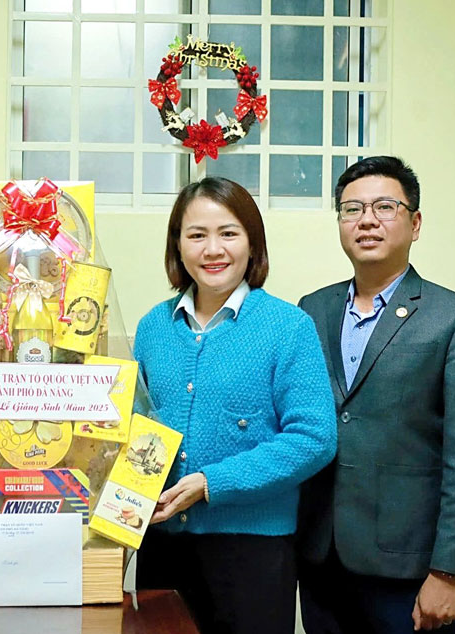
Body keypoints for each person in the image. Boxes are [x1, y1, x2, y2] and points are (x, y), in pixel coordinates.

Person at [297, 156, 455, 633]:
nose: (366, 220)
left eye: (384, 206)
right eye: (351, 209)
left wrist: (448, 571)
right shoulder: (312, 308)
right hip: (321, 557)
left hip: (409, 568)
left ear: (415, 222)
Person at [133, 177, 337, 634]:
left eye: (228, 233)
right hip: (162, 544)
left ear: (251, 243)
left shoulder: (288, 326)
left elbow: (315, 438)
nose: (212, 249)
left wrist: (211, 482)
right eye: (196, 235)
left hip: (253, 550)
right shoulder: (153, 326)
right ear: (178, 246)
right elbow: (135, 423)